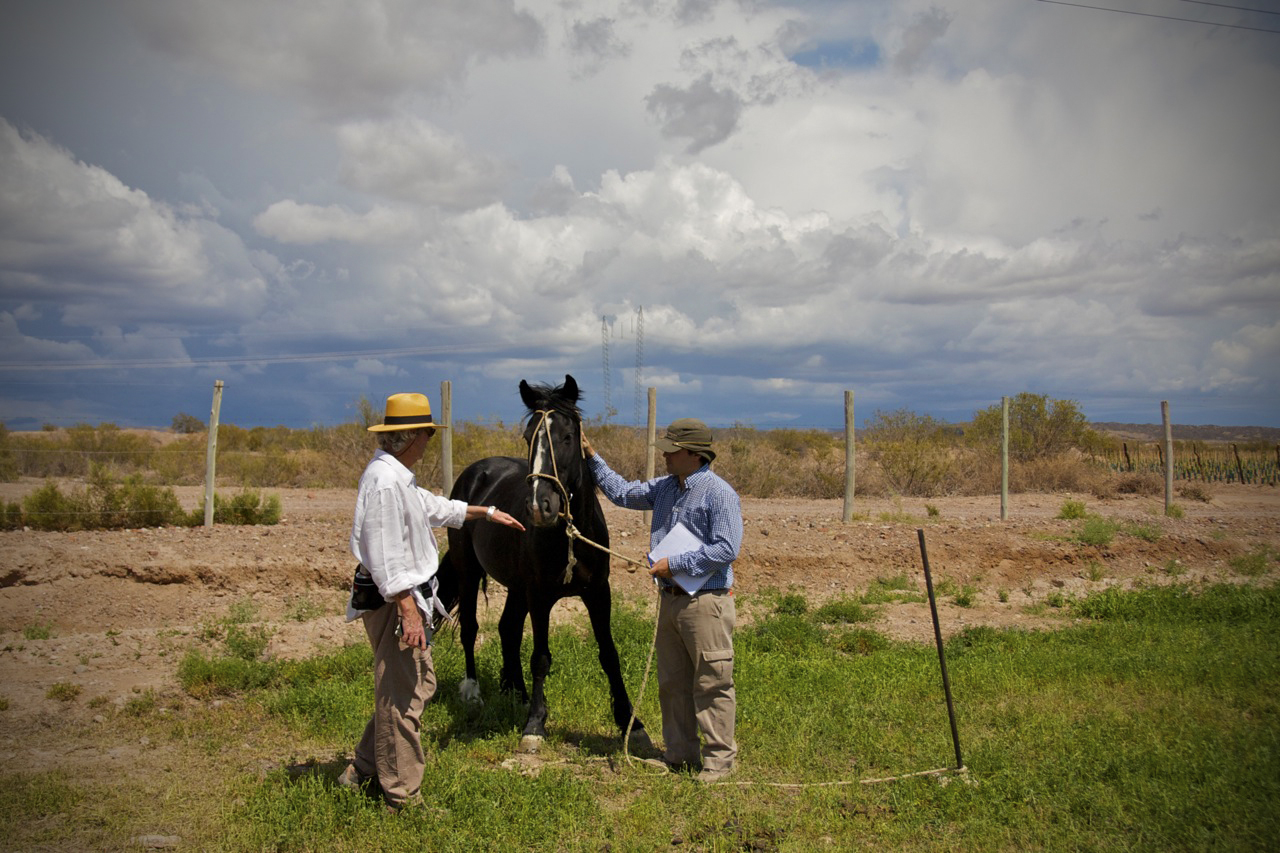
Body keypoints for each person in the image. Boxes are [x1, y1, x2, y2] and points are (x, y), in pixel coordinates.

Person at [338, 392, 524, 811]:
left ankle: (363, 768)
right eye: (426, 433)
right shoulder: (386, 482)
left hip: (402, 600)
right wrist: (409, 612)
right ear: (412, 437)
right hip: (396, 603)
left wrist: (486, 512)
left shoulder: (395, 475)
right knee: (405, 696)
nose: (428, 441)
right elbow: (385, 555)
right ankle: (402, 795)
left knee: (407, 686)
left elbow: (430, 506)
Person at [583, 418, 743, 783]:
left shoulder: (719, 494)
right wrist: (591, 455)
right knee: (672, 681)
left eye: (671, 451)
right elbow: (622, 492)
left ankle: (718, 761)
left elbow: (727, 548)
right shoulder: (666, 487)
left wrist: (677, 563)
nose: (665, 457)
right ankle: (680, 754)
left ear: (693, 454)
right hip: (670, 600)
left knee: (712, 681)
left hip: (706, 602)